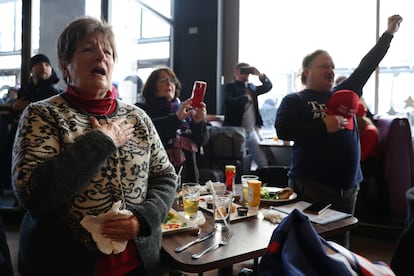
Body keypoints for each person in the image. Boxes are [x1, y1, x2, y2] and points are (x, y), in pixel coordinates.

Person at [12, 17, 177, 275]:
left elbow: (165, 176)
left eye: (108, 52)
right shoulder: (42, 114)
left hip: (139, 264)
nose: (101, 55)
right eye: (88, 49)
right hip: (61, 264)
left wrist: (143, 219)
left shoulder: (137, 117)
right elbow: (33, 194)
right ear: (66, 65)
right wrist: (102, 141)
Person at [275, 14, 402, 247]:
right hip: (312, 186)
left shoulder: (344, 92)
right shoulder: (294, 100)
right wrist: (323, 125)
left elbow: (367, 65)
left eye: (333, 66)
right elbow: (284, 130)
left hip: (349, 186)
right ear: (306, 71)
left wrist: (388, 34)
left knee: (340, 247)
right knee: (309, 246)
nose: (331, 70)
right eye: (324, 65)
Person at [137, 67, 209, 183]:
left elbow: (202, 141)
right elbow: (147, 133)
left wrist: (198, 122)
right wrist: (176, 119)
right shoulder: (142, 109)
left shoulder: (184, 109)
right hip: (157, 177)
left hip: (188, 175)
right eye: (162, 80)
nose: (169, 83)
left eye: (171, 80)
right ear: (152, 86)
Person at [222, 62, 273, 170]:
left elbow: (268, 86)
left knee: (262, 161)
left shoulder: (252, 87)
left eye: (248, 71)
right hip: (235, 131)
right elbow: (228, 102)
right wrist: (246, 97)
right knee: (242, 162)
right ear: (236, 72)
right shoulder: (230, 87)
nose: (246, 74)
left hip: (251, 131)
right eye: (243, 71)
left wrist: (260, 75)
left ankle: (264, 182)